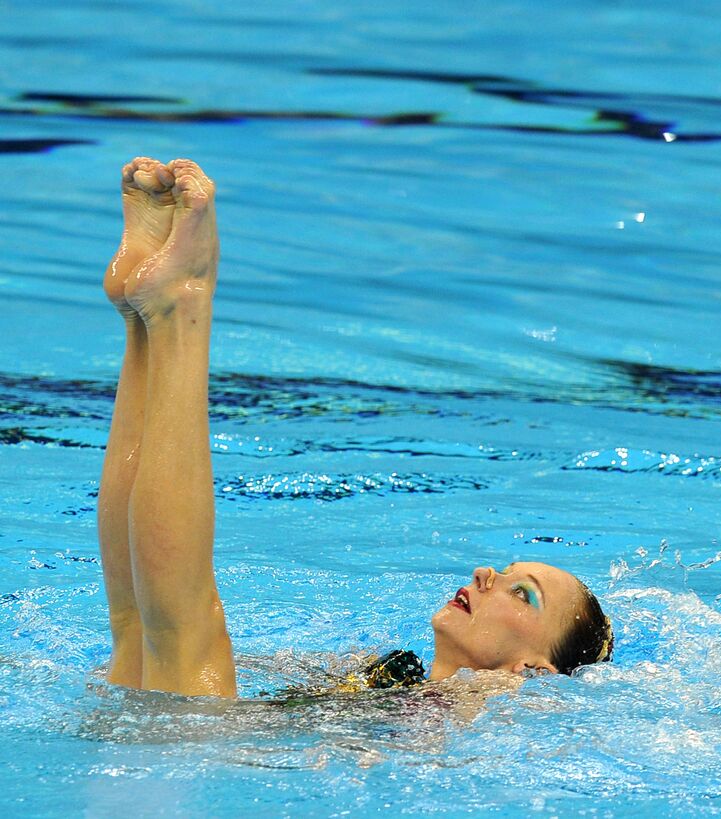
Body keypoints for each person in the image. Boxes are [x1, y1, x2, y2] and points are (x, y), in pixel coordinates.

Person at [96, 157, 612, 698]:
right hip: (169, 743)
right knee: (139, 633)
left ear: (532, 670)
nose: (487, 574)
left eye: (522, 594)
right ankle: (145, 322)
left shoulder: (491, 712)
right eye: (507, 571)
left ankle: (175, 309)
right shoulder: (397, 678)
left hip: (203, 748)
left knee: (178, 633)